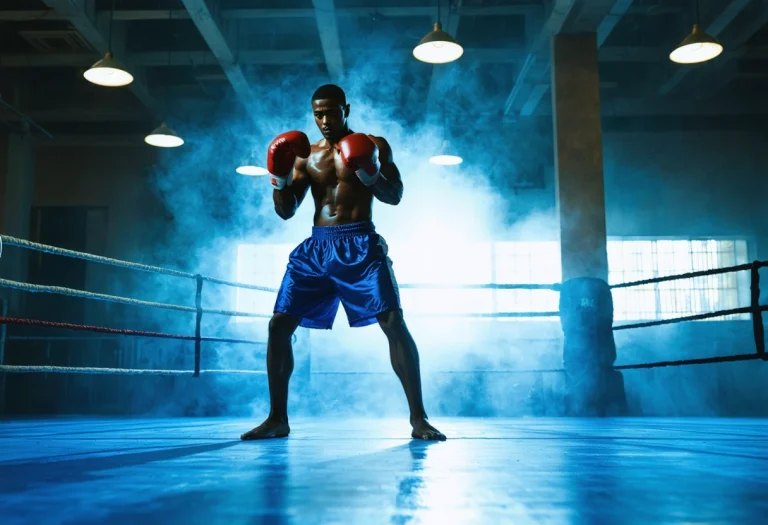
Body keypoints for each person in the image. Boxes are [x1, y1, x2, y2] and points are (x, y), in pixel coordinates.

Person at [241, 84, 446, 441]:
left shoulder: (375, 144)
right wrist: (279, 177)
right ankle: (277, 418)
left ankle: (419, 419)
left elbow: (394, 196)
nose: (323, 120)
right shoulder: (305, 156)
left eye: (331, 112)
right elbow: (286, 211)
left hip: (361, 244)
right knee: (278, 325)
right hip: (317, 248)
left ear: (346, 109)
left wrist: (370, 172)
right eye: (317, 113)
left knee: (394, 322)